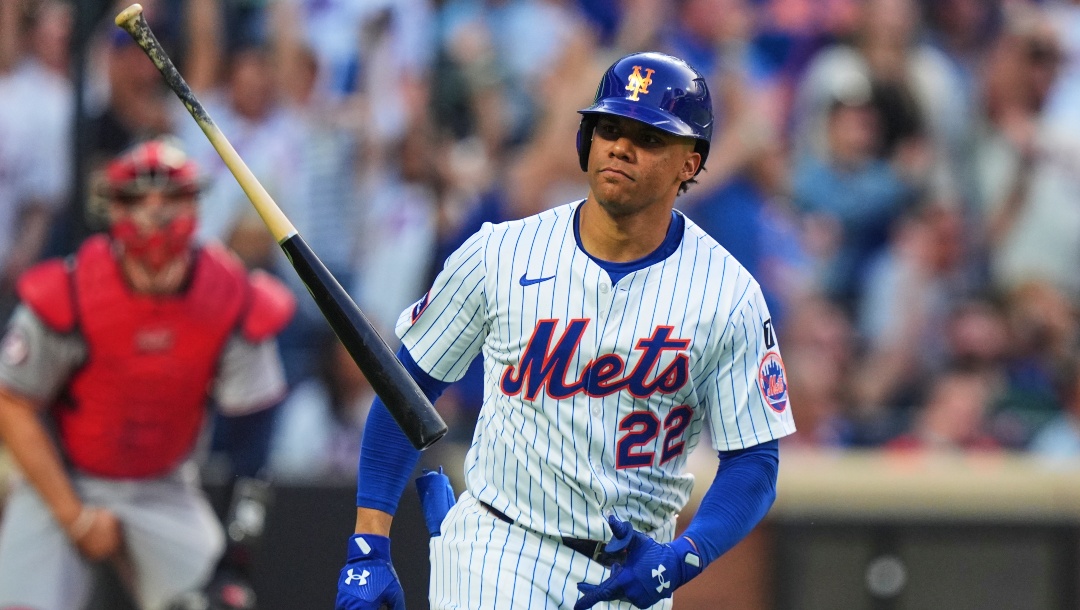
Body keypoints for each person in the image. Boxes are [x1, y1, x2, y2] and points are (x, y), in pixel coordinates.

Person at [335, 51, 796, 610]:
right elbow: (404, 389)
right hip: (497, 547)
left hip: (635, 570)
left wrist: (682, 558)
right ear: (585, 141)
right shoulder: (500, 253)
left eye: (649, 137)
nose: (621, 146)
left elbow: (754, 462)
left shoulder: (729, 295)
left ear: (690, 164)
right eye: (608, 128)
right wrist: (369, 542)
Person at [0, 138, 295, 610]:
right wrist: (74, 516)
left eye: (171, 198)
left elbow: (254, 437)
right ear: (114, 206)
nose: (154, 215)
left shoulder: (231, 296)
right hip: (62, 477)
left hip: (164, 483)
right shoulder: (72, 290)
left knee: (219, 604)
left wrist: (234, 561)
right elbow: (11, 400)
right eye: (139, 199)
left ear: (195, 204)